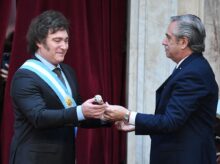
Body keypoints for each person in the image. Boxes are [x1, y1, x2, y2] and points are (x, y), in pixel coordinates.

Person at [103, 14, 219, 164]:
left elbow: (170, 121)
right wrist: (136, 124)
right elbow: (181, 120)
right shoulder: (191, 66)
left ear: (183, 42)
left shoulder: (193, 72)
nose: (163, 42)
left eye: (168, 38)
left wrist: (127, 115)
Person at [9, 10, 108, 164]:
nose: (64, 46)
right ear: (39, 42)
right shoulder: (25, 76)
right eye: (57, 40)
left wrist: (105, 115)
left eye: (66, 40)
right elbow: (39, 117)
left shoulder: (68, 72)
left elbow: (77, 114)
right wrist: (80, 111)